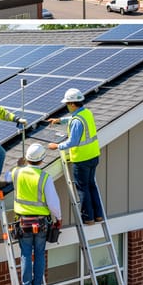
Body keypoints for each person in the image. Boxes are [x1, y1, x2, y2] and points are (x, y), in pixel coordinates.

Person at [5, 143, 61, 285]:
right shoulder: (45, 178)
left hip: (23, 223)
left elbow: (6, 177)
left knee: (26, 254)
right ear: (42, 160)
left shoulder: (17, 172)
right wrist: (58, 219)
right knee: (40, 253)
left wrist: (18, 166)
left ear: (27, 159)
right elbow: (53, 204)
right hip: (41, 223)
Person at [47, 88, 103, 225]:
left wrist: (57, 146)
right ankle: (98, 215)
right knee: (91, 185)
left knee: (83, 188)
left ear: (72, 104)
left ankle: (88, 218)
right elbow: (74, 118)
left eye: (67, 103)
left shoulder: (77, 121)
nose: (66, 105)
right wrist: (59, 120)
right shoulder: (86, 113)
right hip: (93, 156)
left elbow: (73, 141)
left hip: (82, 159)